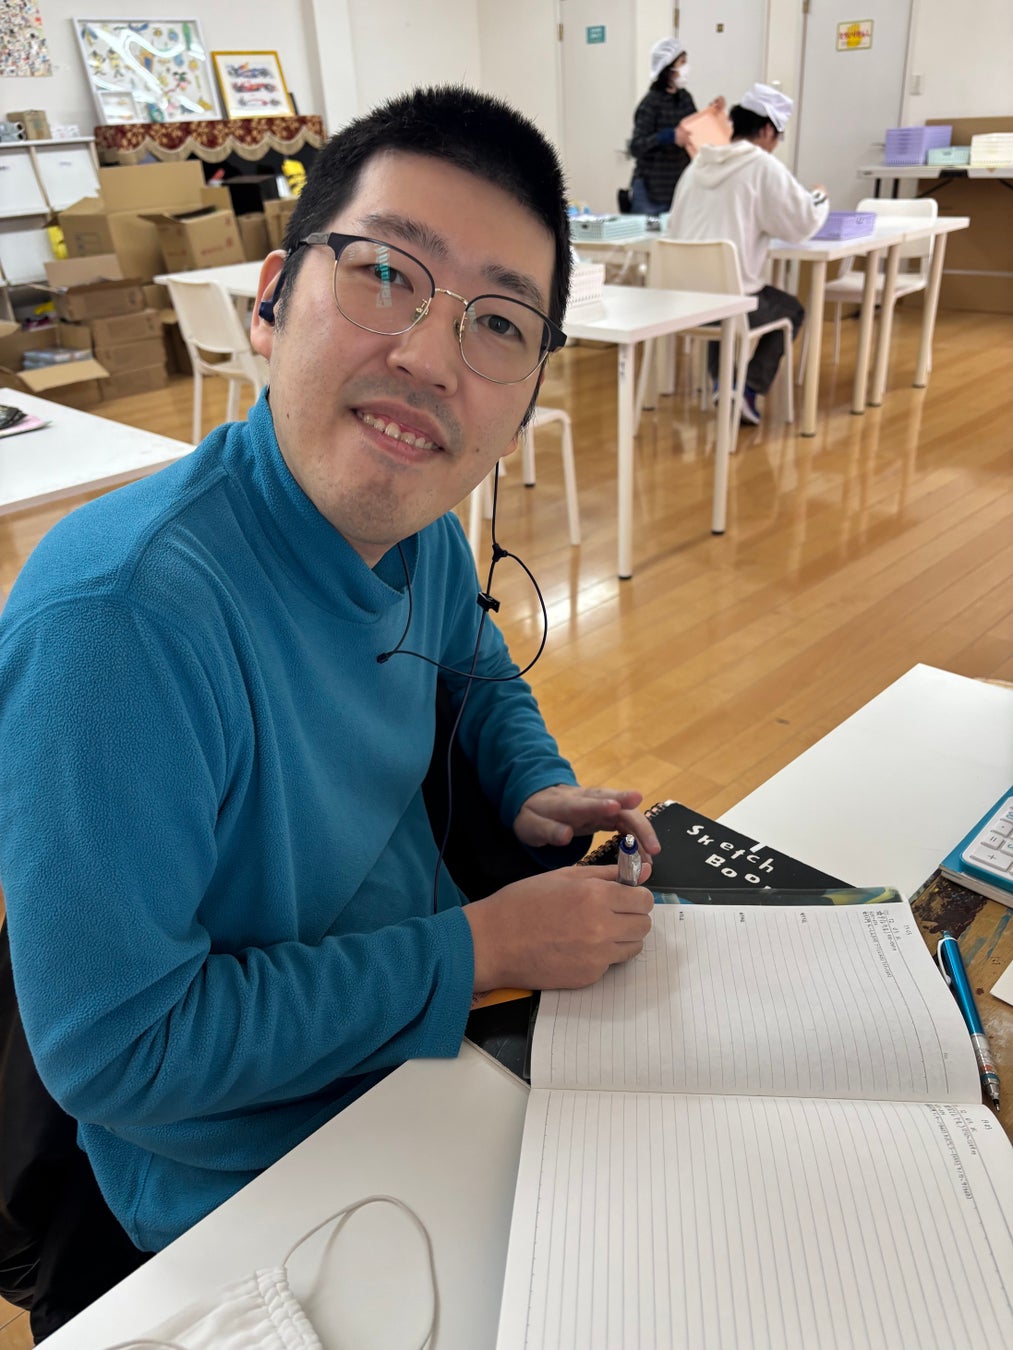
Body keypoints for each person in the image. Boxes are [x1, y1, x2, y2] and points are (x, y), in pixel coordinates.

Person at [0, 85, 659, 1333]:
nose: (428, 357)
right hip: (244, 1182)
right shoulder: (119, 623)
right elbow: (123, 1054)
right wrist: (484, 949)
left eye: (497, 323)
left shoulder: (417, 532)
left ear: (524, 394)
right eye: (384, 274)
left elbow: (473, 665)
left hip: (421, 1061)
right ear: (271, 300)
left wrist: (531, 781)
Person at [666, 82, 829, 424]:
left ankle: (723, 384)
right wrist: (819, 197)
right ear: (767, 130)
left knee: (720, 293)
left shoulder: (697, 166)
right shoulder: (762, 166)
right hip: (728, 305)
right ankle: (747, 388)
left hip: (680, 302)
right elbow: (802, 223)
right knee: (790, 310)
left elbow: (674, 226)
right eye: (778, 137)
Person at [627, 37, 725, 216]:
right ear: (668, 67)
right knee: (649, 235)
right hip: (651, 192)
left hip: (679, 188)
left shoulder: (685, 98)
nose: (686, 68)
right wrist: (670, 136)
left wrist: (712, 112)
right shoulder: (650, 103)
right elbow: (636, 146)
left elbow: (694, 131)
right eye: (682, 63)